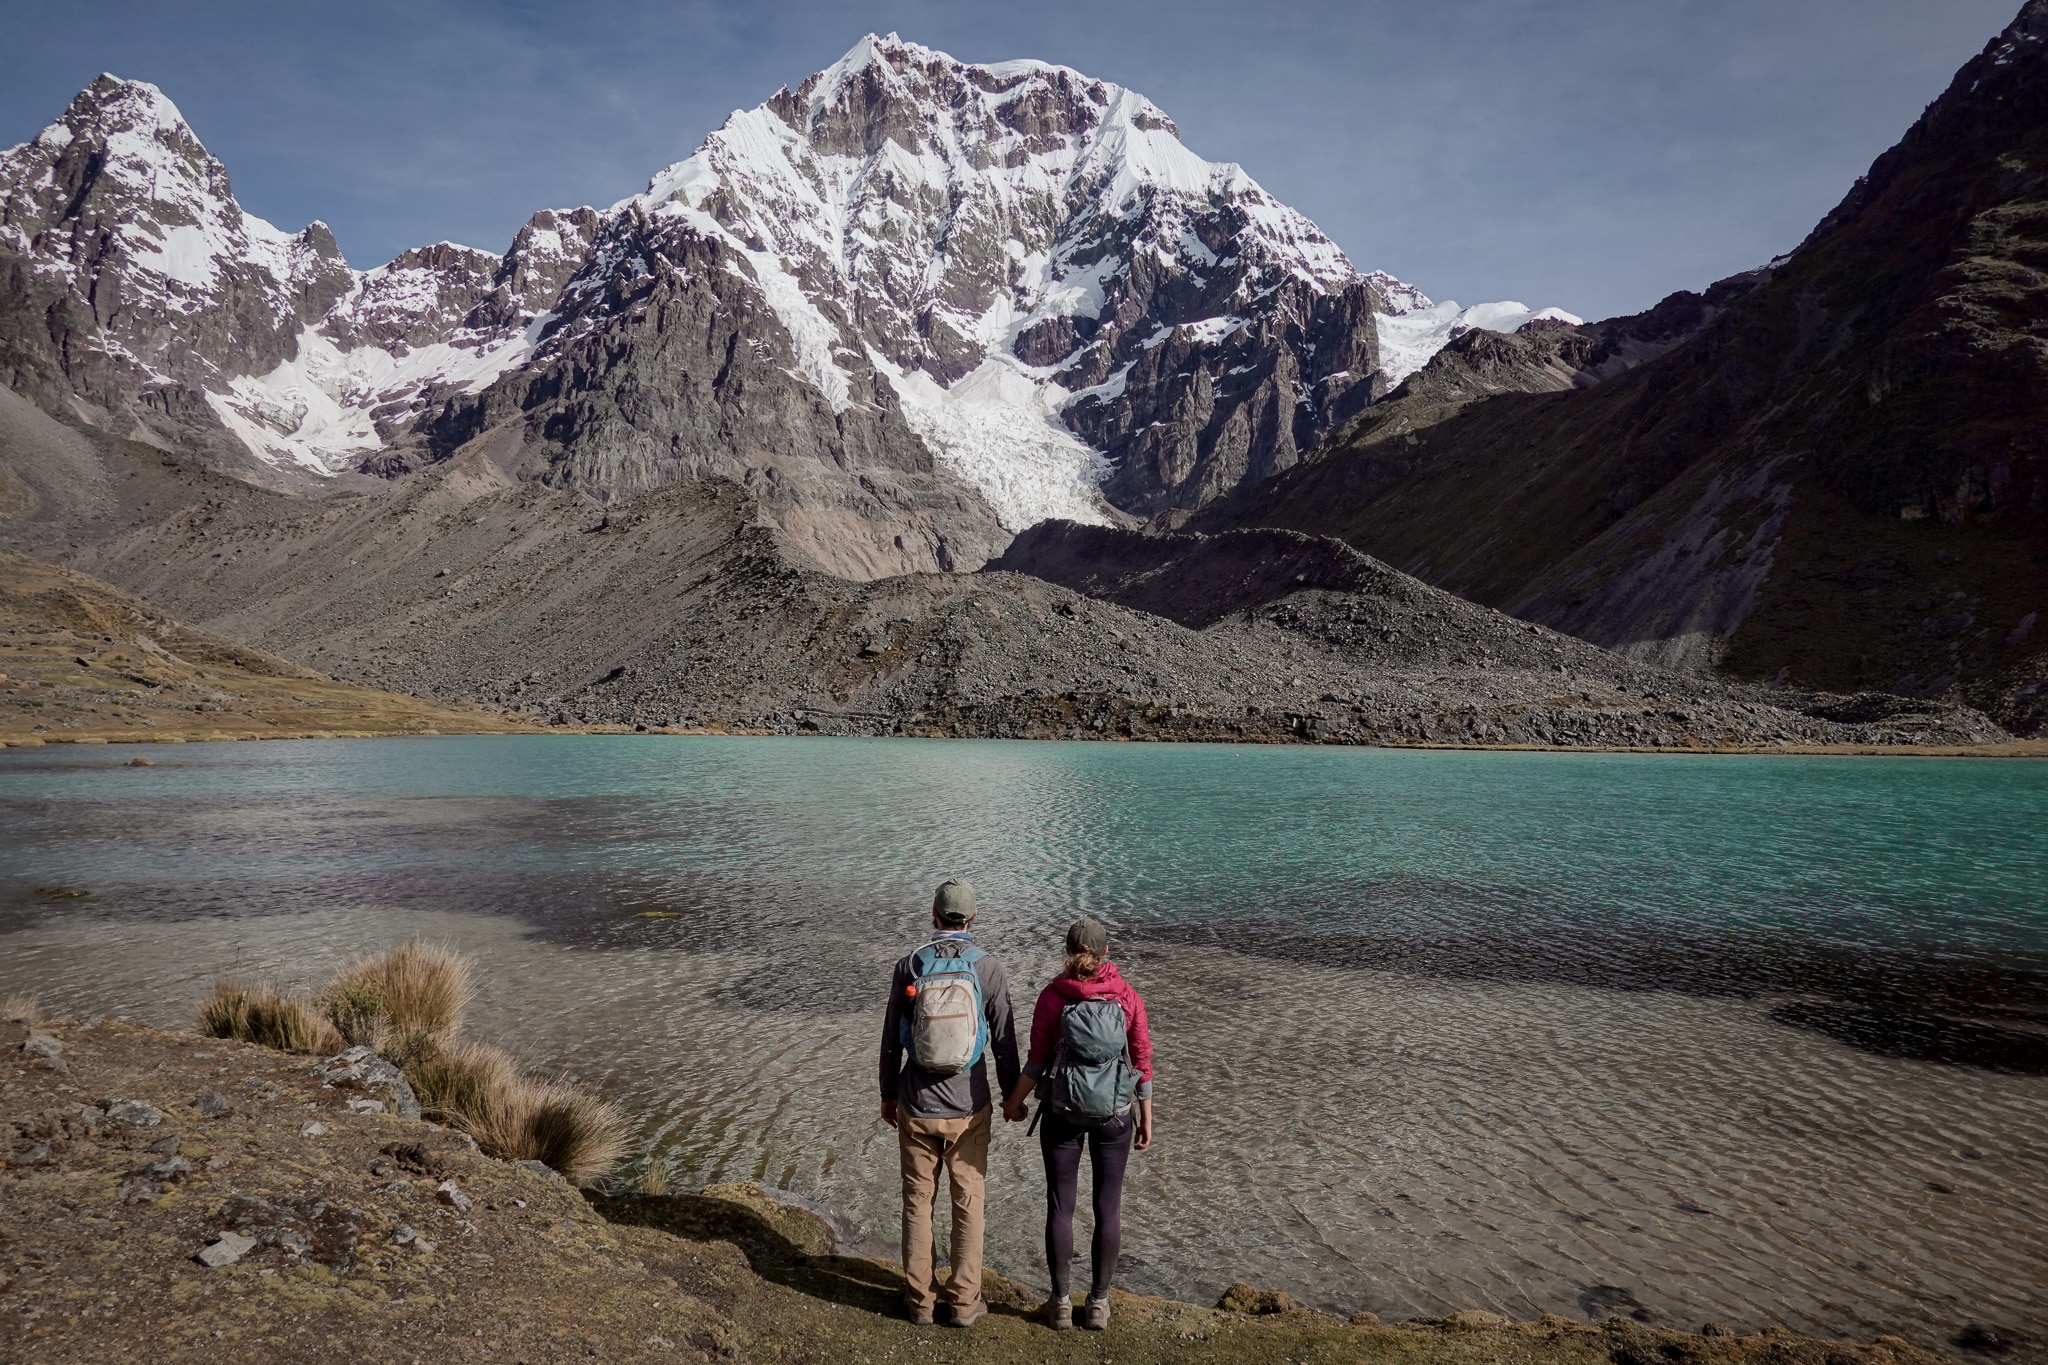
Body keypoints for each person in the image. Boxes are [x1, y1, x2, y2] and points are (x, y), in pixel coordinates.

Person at [878, 879, 1020, 1329]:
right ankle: (963, 1302)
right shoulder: (989, 969)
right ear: (972, 919)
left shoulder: (910, 966)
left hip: (916, 1104)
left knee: (918, 1201)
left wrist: (887, 1094)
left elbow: (889, 1042)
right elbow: (1004, 1043)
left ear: (934, 915)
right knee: (968, 1201)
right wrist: (1011, 1098)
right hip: (968, 1108)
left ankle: (920, 1300)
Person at [1003, 916, 1154, 1331]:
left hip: (1062, 1112)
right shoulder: (1126, 997)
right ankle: (1100, 1304)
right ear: (1106, 952)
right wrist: (1146, 1116)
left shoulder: (1053, 996)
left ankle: (1062, 1303)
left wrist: (1013, 1102)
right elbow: (1141, 1060)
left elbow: (1036, 1060)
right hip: (1114, 1116)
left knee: (1061, 1205)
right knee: (1108, 1207)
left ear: (1069, 952)